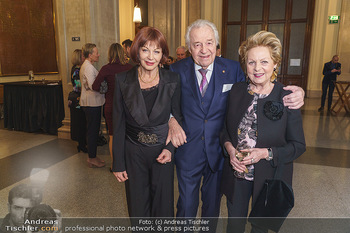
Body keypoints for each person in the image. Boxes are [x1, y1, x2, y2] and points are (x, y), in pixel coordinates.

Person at [168, 19, 305, 228]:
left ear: (216, 44)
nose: (204, 50)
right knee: (189, 206)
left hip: (231, 160)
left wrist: (300, 93)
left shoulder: (232, 69)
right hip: (198, 153)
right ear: (189, 47)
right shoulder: (176, 71)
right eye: (197, 44)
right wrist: (171, 120)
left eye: (209, 42)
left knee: (213, 207)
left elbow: (262, 80)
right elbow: (162, 100)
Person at [220, 31, 306, 233]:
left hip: (270, 178)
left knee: (260, 229)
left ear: (275, 63)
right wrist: (230, 149)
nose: (257, 68)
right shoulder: (237, 91)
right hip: (237, 175)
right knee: (234, 226)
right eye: (251, 62)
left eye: (264, 62)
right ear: (245, 65)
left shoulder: (287, 97)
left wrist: (265, 153)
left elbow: (298, 146)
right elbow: (224, 130)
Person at [112, 27, 182, 218]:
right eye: (145, 49)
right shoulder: (122, 80)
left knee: (163, 206)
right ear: (137, 51)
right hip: (133, 151)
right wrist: (118, 162)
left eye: (156, 51)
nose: (151, 56)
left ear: (162, 55)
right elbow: (117, 124)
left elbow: (178, 116)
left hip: (162, 152)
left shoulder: (173, 79)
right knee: (137, 206)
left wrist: (170, 149)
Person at [92, 43, 133, 170]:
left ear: (110, 54)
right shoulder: (130, 68)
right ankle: (128, 163)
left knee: (112, 136)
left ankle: (115, 165)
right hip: (128, 107)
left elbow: (95, 86)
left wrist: (106, 87)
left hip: (111, 106)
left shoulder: (106, 69)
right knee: (128, 135)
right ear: (122, 53)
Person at [80, 43, 105, 168]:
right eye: (96, 52)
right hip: (91, 103)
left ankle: (93, 156)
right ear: (90, 55)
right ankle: (91, 158)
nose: (98, 54)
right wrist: (105, 86)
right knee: (92, 131)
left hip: (92, 102)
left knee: (93, 130)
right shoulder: (88, 67)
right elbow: (93, 86)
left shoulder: (88, 65)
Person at [69, 49, 87, 153]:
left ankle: (83, 143)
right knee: (80, 122)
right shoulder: (76, 70)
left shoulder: (79, 68)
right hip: (78, 99)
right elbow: (78, 87)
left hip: (80, 98)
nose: (85, 58)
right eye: (83, 56)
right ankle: (81, 145)